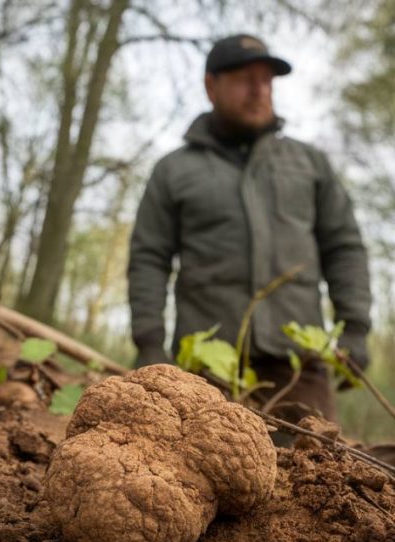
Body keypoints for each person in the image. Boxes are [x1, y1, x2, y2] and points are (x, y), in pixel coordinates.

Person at [127, 34, 371, 421]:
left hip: (298, 369)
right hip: (203, 370)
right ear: (211, 85)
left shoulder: (309, 163)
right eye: (244, 78)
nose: (259, 90)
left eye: (267, 80)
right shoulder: (174, 170)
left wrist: (355, 328)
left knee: (316, 471)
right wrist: (149, 342)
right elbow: (149, 257)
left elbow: (343, 247)